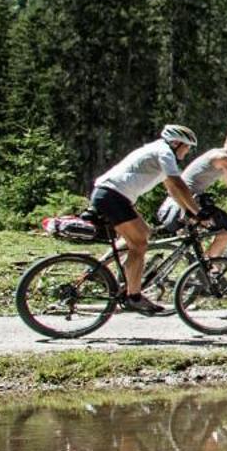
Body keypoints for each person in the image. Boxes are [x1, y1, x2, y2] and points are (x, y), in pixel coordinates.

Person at [90, 125, 206, 315]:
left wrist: (189, 210)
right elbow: (178, 183)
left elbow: (172, 189)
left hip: (112, 195)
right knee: (139, 243)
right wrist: (198, 212)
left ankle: (109, 272)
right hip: (113, 196)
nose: (188, 151)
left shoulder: (158, 151)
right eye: (186, 146)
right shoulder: (164, 152)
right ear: (176, 143)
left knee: (143, 234)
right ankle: (133, 296)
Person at [157, 131, 227, 259]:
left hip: (181, 203)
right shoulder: (221, 157)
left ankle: (210, 270)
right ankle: (206, 267)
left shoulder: (219, 157)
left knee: (221, 229)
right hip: (185, 204)